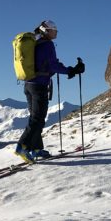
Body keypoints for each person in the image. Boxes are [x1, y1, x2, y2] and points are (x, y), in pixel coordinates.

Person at [13, 20, 85, 161]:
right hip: (39, 86)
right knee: (37, 119)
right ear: (46, 31)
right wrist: (72, 70)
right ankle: (22, 147)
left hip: (29, 85)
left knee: (35, 118)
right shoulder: (47, 44)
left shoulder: (36, 43)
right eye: (54, 29)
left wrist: (68, 70)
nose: (56, 32)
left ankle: (36, 149)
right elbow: (53, 65)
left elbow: (47, 64)